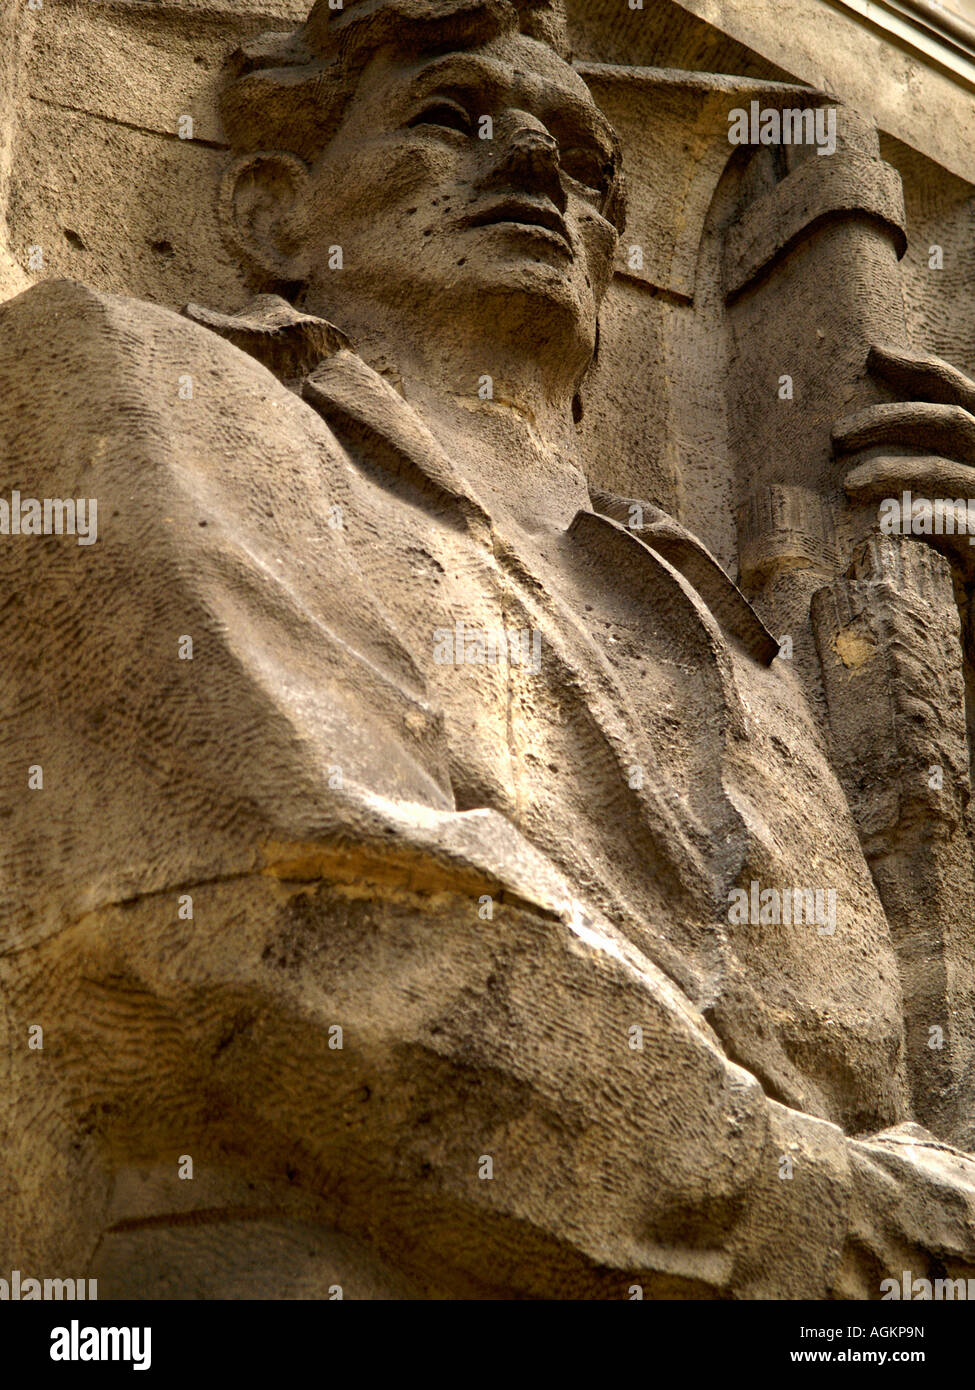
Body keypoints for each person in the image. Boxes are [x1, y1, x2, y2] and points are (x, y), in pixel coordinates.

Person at [1, 0, 973, 1298]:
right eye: (450, 115)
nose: (532, 164)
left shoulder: (738, 644)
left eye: (583, 162)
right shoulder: (122, 378)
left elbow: (907, 1091)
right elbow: (302, 886)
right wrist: (821, 1216)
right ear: (274, 214)